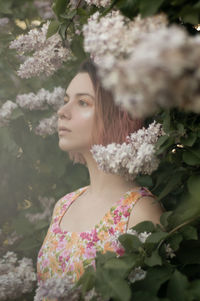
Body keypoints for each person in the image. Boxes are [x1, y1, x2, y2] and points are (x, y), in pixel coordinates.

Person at [37, 58, 164, 291]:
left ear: (116, 115)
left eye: (83, 102)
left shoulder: (140, 212)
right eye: (66, 101)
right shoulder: (63, 206)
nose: (62, 111)